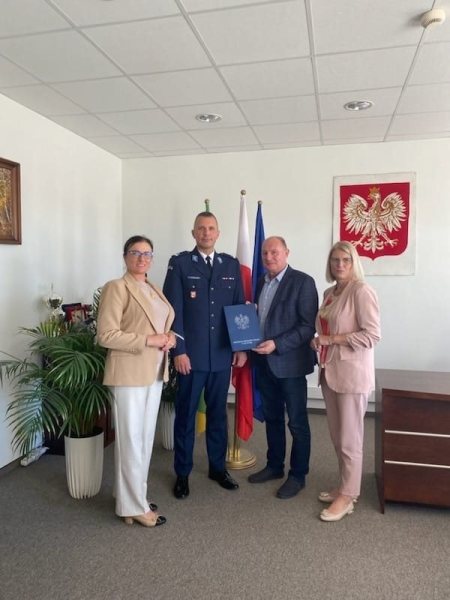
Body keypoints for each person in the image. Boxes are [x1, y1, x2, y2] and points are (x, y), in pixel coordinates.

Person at [163, 211, 247, 499]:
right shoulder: (180, 264)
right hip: (191, 358)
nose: (206, 233)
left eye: (211, 228)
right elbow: (173, 311)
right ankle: (182, 473)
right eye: (201, 228)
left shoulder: (230, 265)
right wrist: (179, 351)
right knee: (186, 416)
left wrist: (240, 348)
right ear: (193, 233)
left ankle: (217, 467)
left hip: (221, 356)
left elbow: (238, 309)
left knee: (218, 415)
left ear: (218, 233)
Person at [97, 235, 176, 527]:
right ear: (125, 256)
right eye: (135, 252)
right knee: (131, 440)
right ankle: (134, 505)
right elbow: (106, 335)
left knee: (143, 439)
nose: (142, 258)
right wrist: (149, 340)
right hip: (129, 374)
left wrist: (169, 337)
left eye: (147, 253)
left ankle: (131, 497)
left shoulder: (153, 288)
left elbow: (161, 324)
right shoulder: (116, 287)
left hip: (154, 372)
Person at [311, 240, 381, 522]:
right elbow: (325, 328)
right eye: (335, 260)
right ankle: (344, 486)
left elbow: (372, 335)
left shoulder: (361, 291)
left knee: (350, 438)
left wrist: (331, 339)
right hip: (329, 371)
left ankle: (349, 496)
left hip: (352, 375)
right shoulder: (330, 293)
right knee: (338, 436)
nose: (339, 264)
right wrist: (319, 341)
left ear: (354, 263)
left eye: (345, 260)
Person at [249, 236, 318, 499]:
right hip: (264, 363)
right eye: (265, 253)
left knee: (297, 423)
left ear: (287, 252)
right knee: (273, 418)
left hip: (291, 364)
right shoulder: (261, 282)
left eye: (274, 252)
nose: (268, 257)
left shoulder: (303, 282)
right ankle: (274, 466)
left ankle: (298, 475)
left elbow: (307, 326)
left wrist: (277, 344)